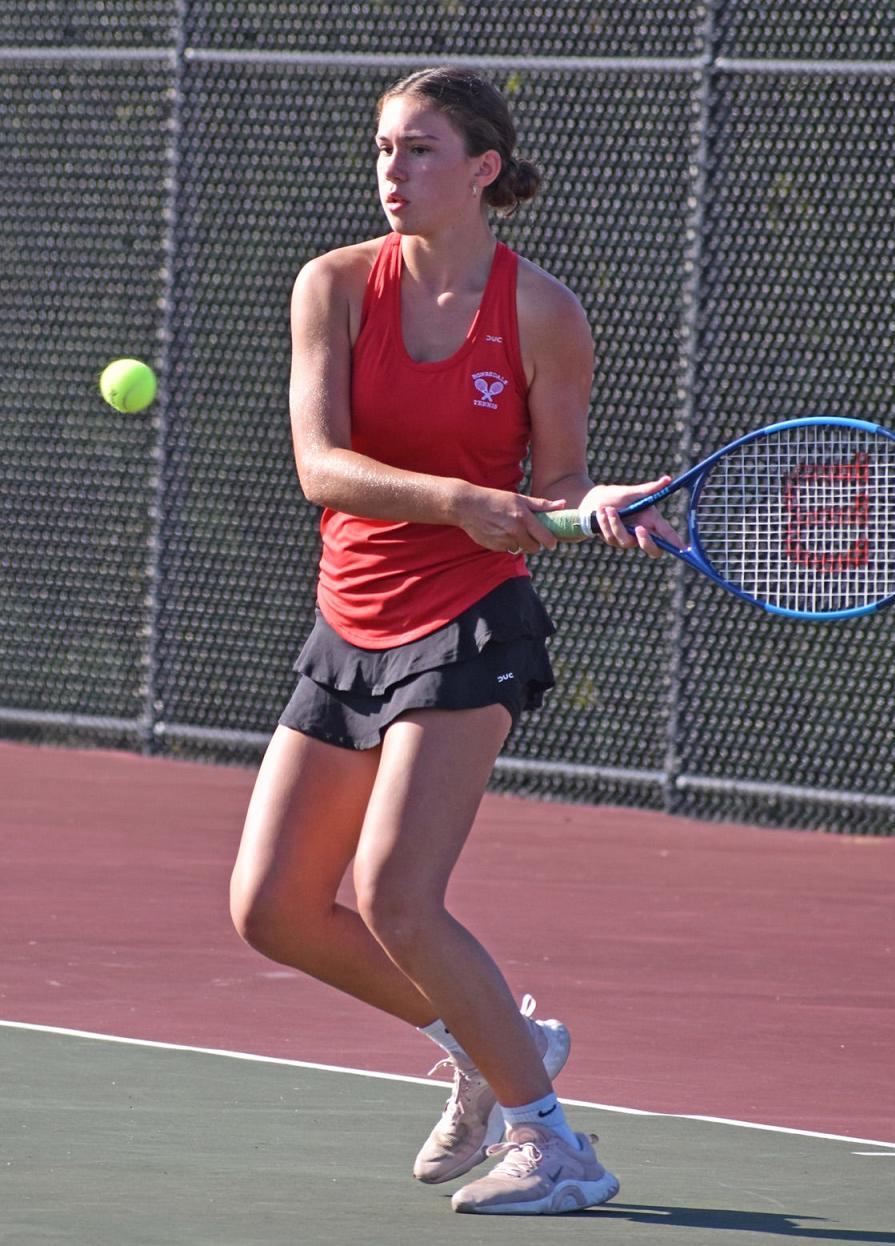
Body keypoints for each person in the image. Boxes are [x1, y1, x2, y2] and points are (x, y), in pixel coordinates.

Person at [229, 66, 679, 1216]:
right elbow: (318, 467)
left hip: (473, 616)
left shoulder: (542, 312)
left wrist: (597, 507)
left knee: (393, 891)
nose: (394, 170)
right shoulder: (332, 286)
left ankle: (555, 1145)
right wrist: (453, 495)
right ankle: (492, 1042)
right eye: (385, 149)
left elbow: (559, 482)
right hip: (350, 614)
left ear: (483, 170)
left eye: (421, 150)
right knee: (274, 907)